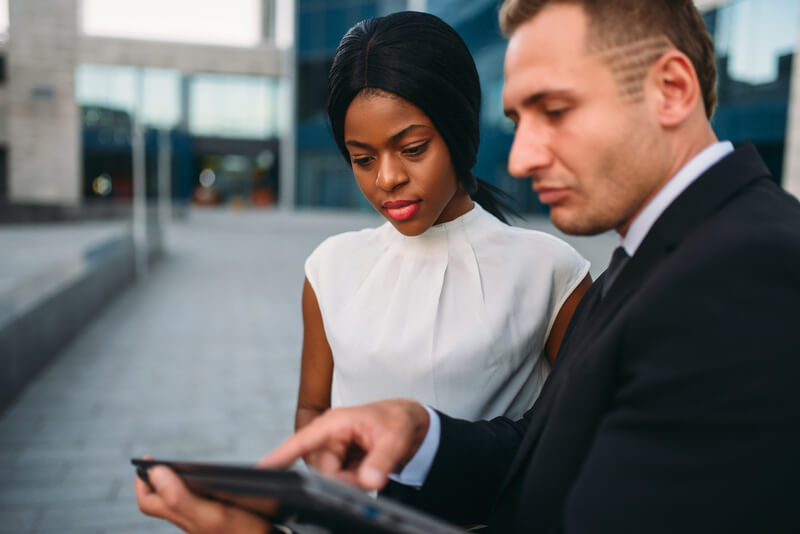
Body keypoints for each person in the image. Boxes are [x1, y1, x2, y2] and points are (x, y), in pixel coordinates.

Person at [136, 0, 800, 532]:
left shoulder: (748, 272)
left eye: (556, 110)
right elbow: (543, 454)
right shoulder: (652, 261)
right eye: (518, 117)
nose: (519, 158)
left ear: (672, 88)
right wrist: (422, 433)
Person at [298, 11, 589, 433]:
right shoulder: (329, 268)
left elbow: (577, 432)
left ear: (458, 132)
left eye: (413, 149)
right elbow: (311, 410)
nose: (388, 178)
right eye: (362, 159)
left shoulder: (551, 272)